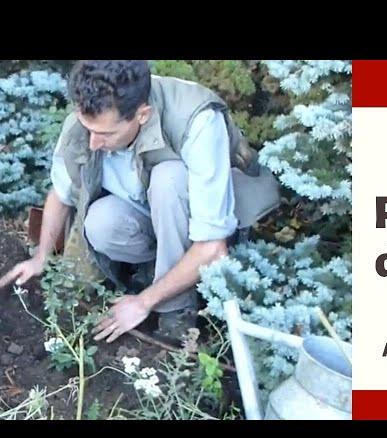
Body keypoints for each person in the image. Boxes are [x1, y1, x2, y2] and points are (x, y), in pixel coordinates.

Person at [0, 60, 279, 344]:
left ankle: (177, 310)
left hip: (212, 222)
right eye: (88, 128)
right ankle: (153, 270)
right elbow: (61, 193)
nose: (93, 142)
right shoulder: (86, 124)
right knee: (101, 221)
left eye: (106, 134)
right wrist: (41, 257)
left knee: (168, 179)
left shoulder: (197, 119)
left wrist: (144, 302)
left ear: (142, 115)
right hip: (150, 216)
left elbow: (212, 247)